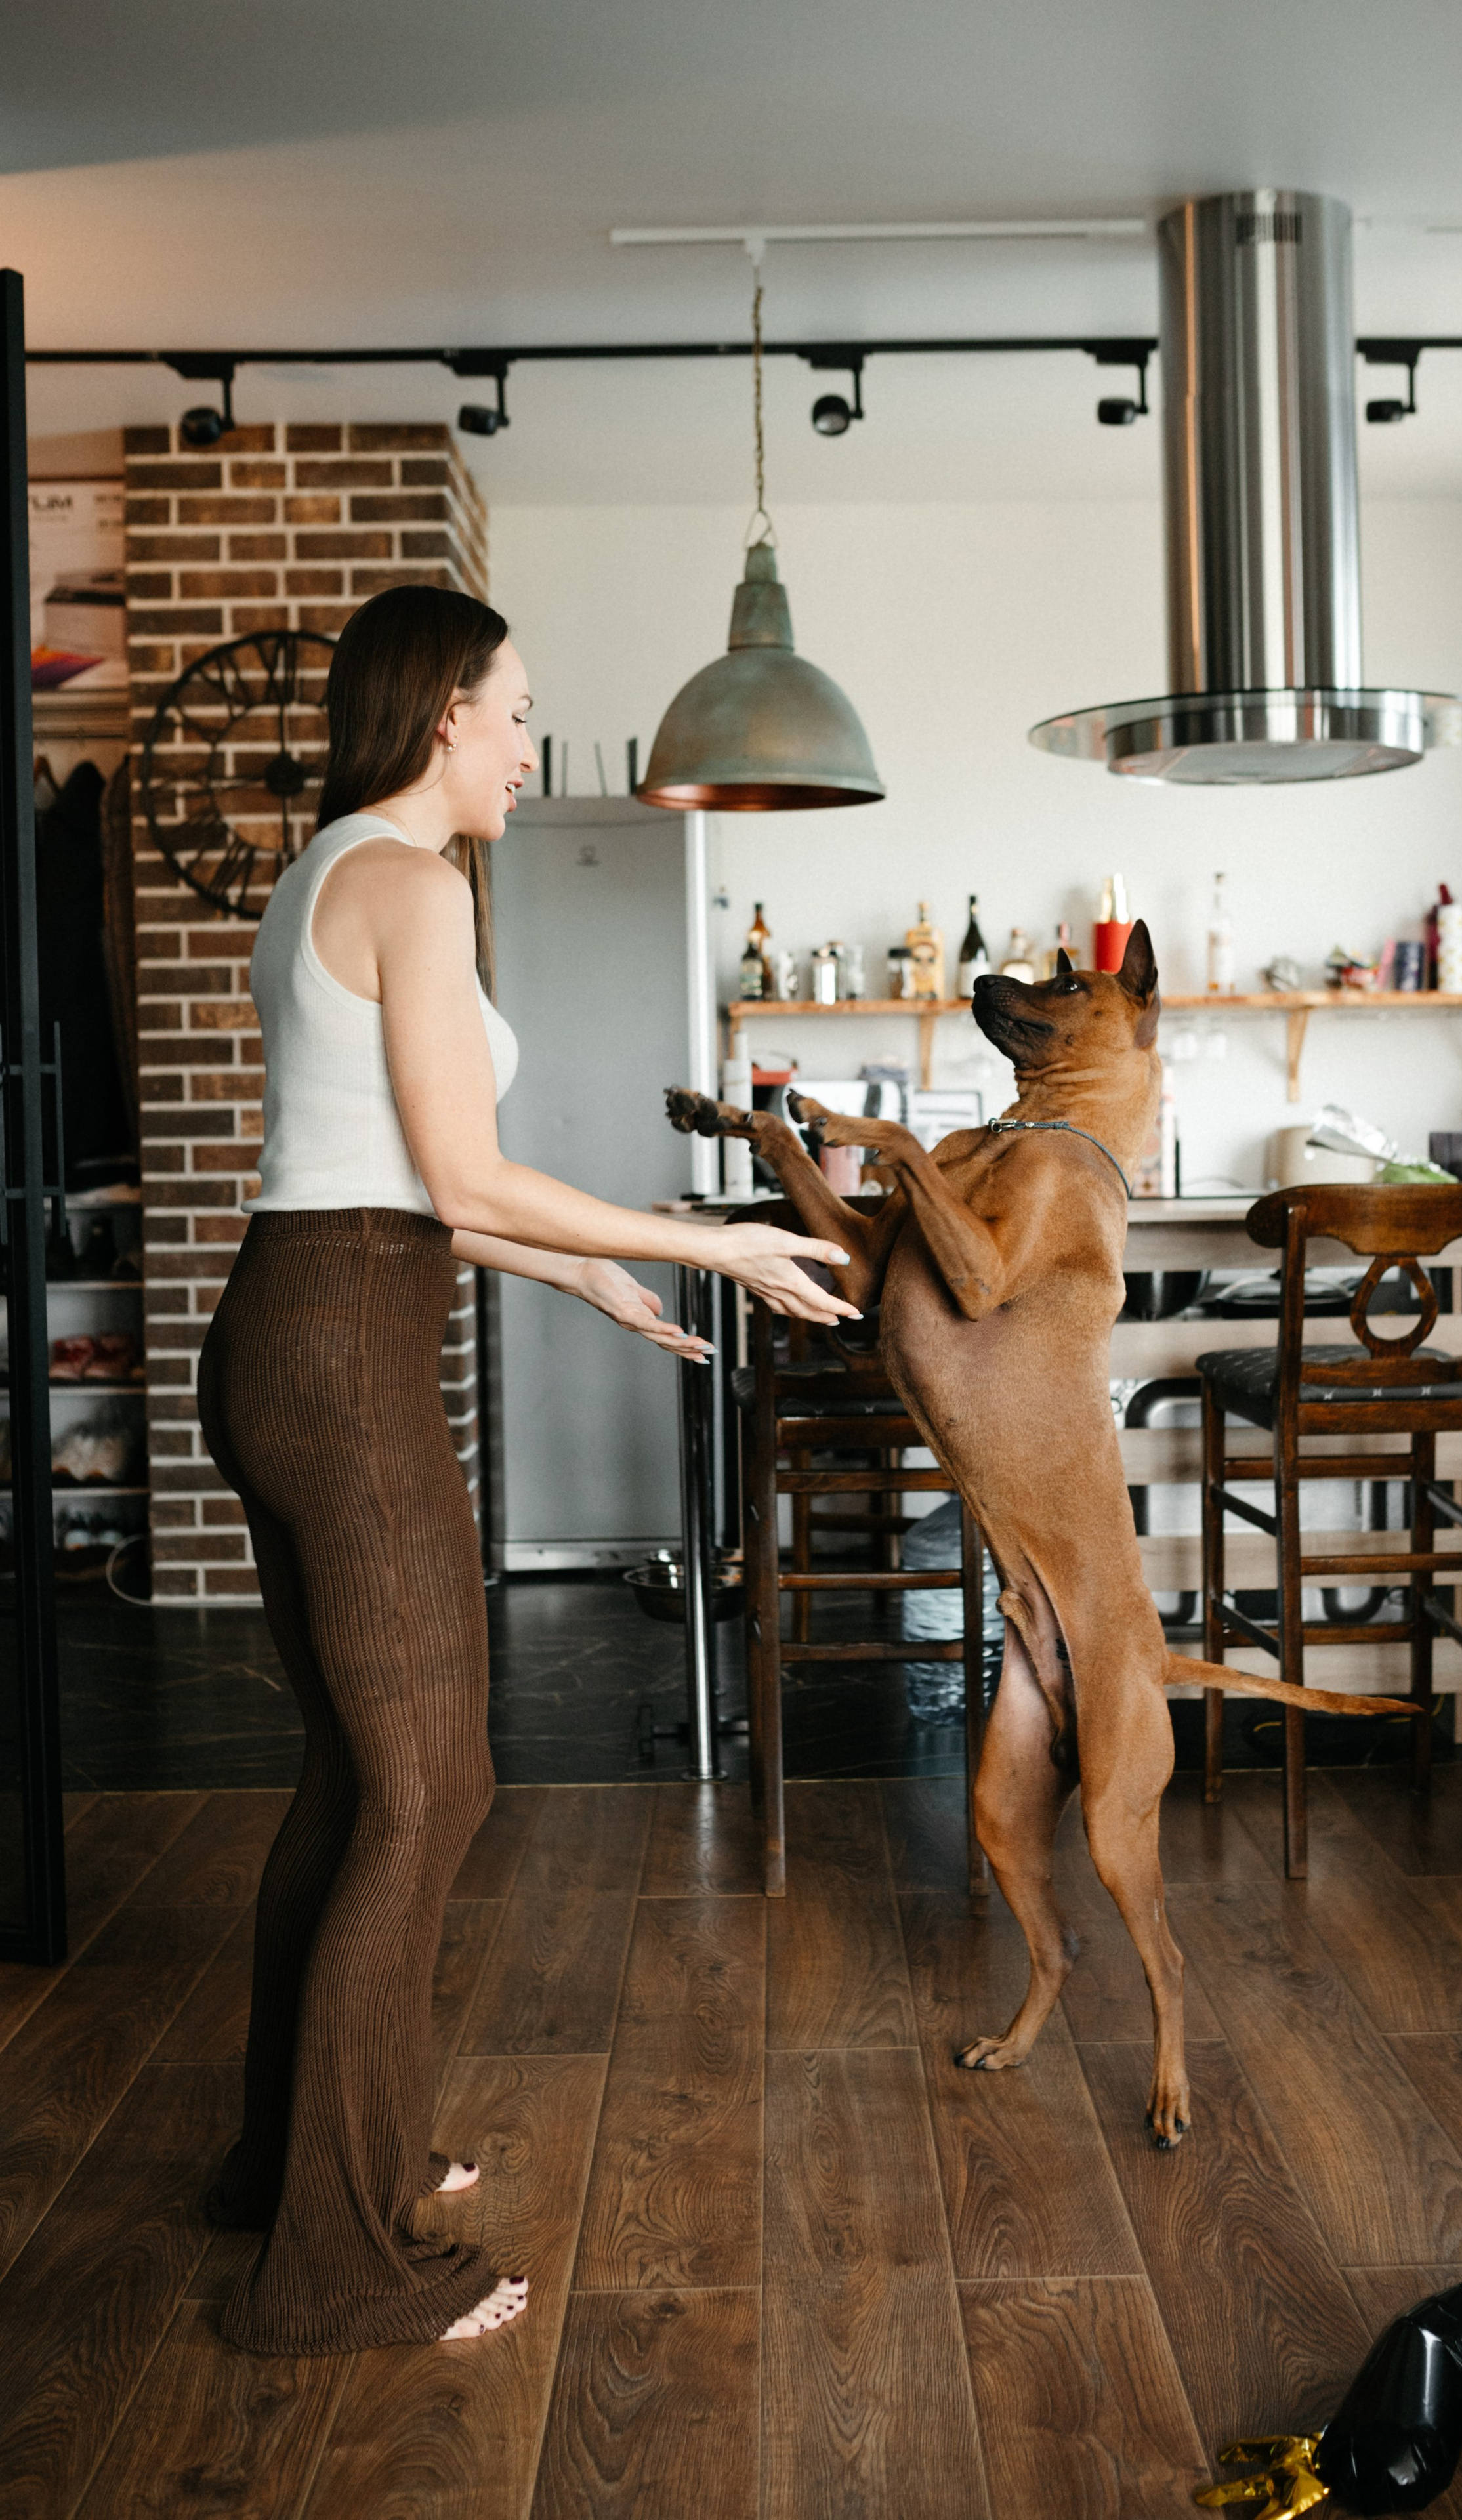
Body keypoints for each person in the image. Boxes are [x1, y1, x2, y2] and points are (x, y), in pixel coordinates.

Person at [197, 583, 857, 2354]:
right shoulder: (406, 885)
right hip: (339, 1352)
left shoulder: (330, 865)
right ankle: (331, 2267)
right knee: (435, 1789)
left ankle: (298, 2159)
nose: (523, 744)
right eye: (512, 712)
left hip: (302, 1315)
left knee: (358, 1776)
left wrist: (595, 1275)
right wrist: (712, 1244)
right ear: (439, 715)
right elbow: (456, 1183)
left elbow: (399, 1180)